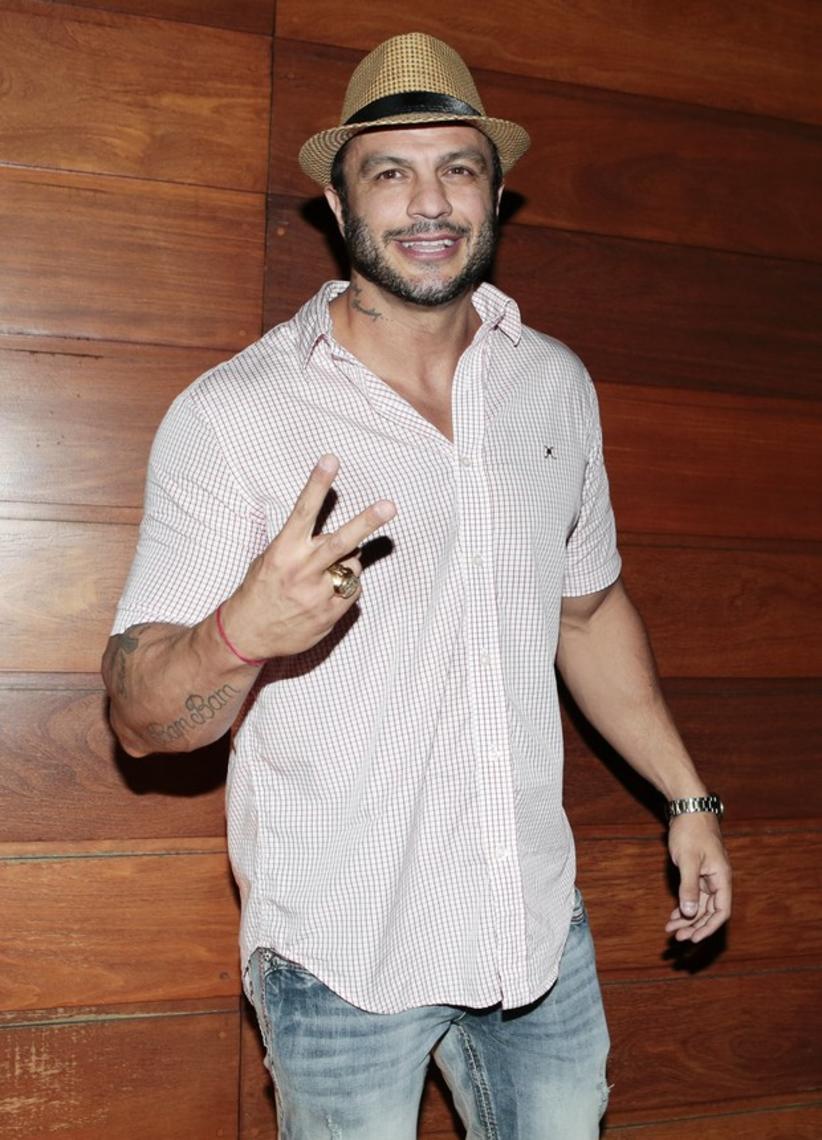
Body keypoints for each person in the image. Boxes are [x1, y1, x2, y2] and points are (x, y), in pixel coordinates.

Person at [103, 32, 732, 1140]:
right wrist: (238, 635)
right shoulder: (237, 415)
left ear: (494, 194)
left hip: (531, 928)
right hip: (345, 949)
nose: (429, 201)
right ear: (339, 206)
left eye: (458, 168)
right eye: (389, 172)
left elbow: (586, 610)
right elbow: (140, 721)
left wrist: (686, 799)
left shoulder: (552, 385)